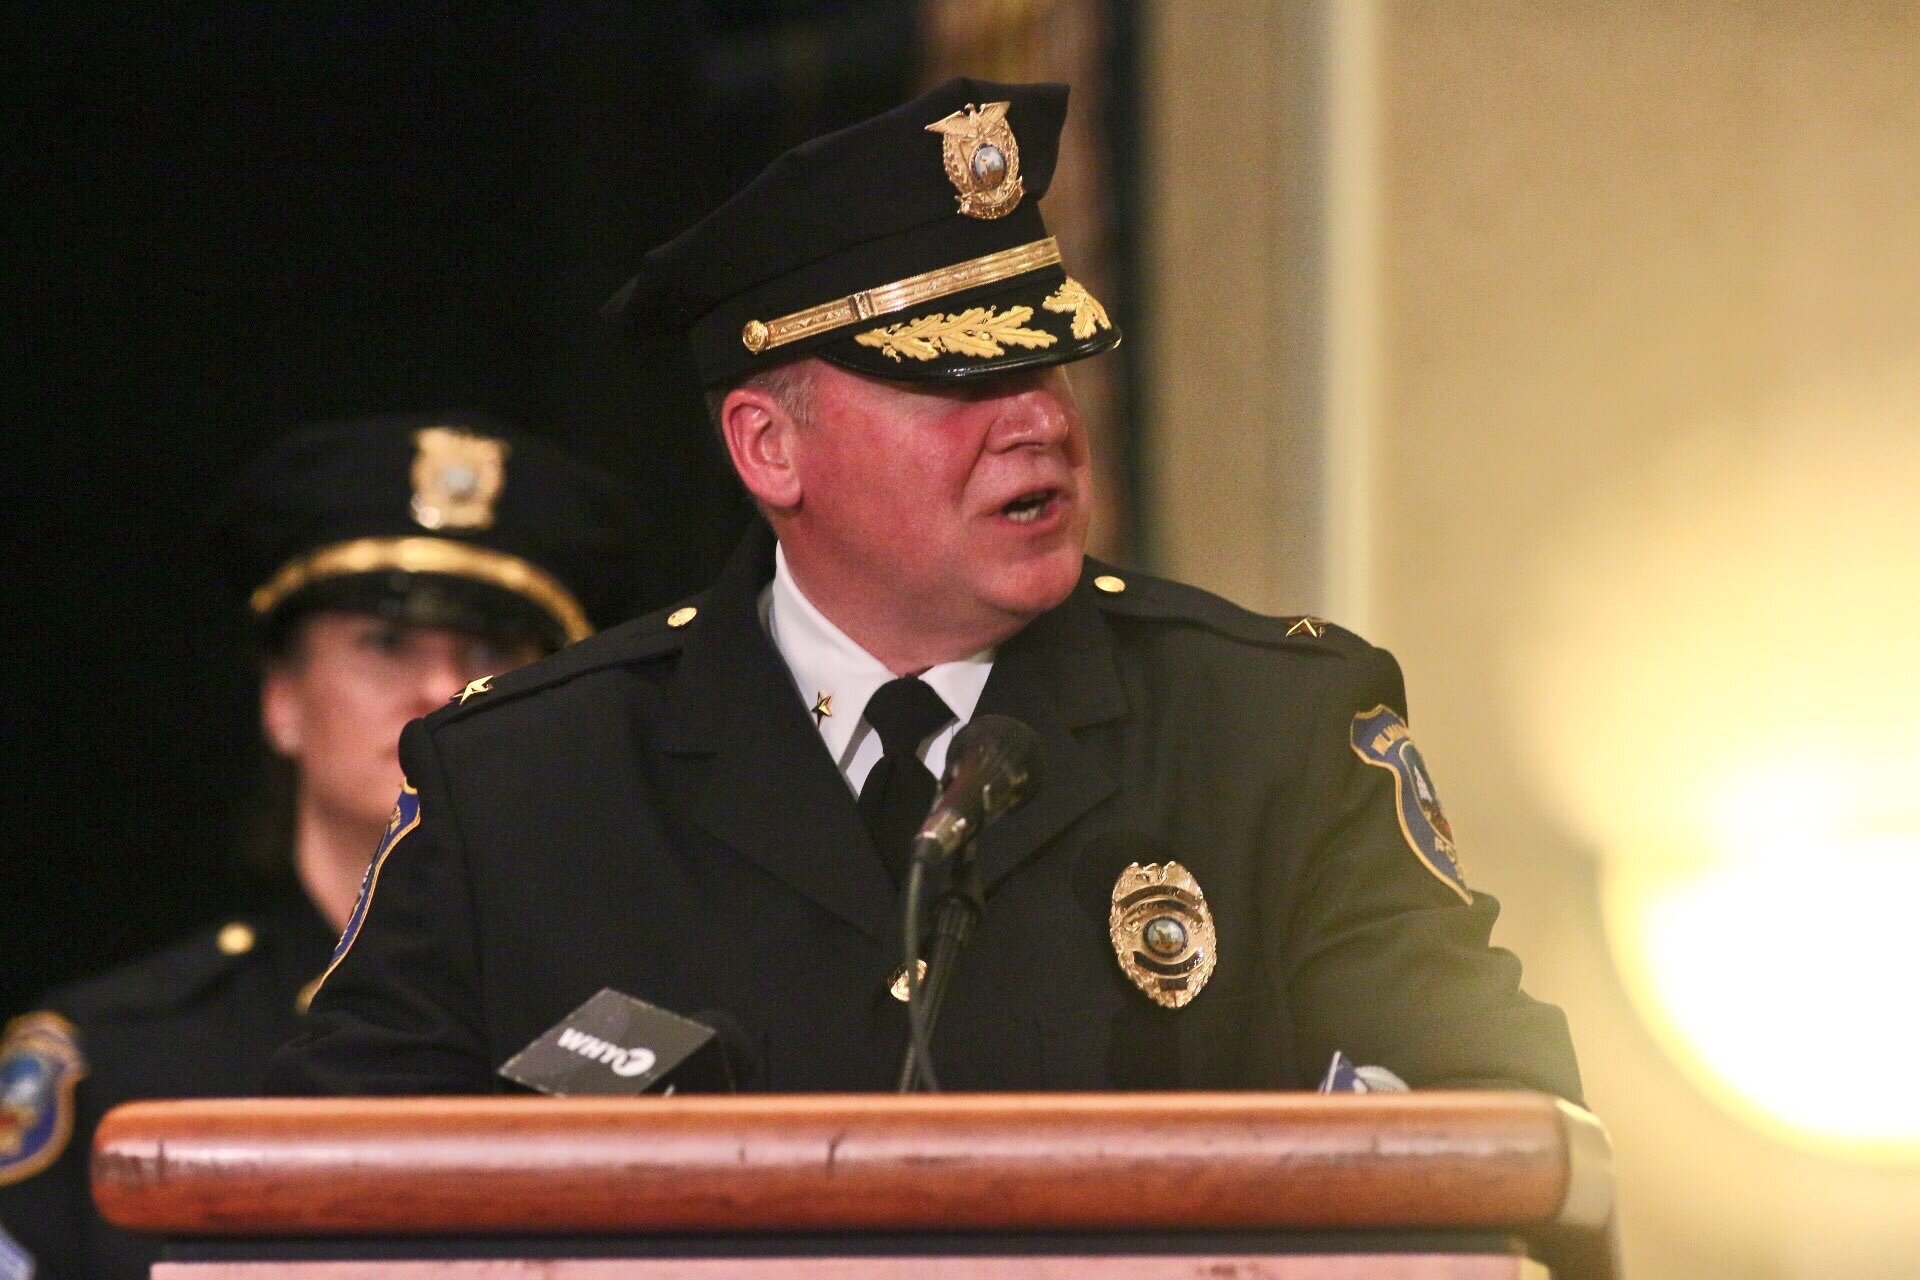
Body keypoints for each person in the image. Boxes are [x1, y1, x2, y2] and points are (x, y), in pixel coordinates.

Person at [269, 79, 1582, 1102]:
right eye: (959, 378)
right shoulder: (523, 785)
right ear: (768, 448)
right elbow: (322, 1199)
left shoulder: (1273, 733)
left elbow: (1501, 1127)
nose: (1040, 421)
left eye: (1047, 362)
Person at [0, 413, 644, 1279]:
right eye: (385, 643)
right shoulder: (117, 1061)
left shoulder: (637, 1033)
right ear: (283, 700)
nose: (440, 687)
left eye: (491, 649)